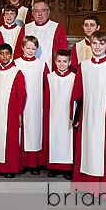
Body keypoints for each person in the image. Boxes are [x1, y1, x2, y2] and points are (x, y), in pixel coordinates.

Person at [71, 31, 106, 197]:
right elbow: (77, 94)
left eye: (101, 44)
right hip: (87, 117)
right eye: (95, 43)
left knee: (104, 153)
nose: (98, 47)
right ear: (90, 45)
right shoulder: (83, 66)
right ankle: (86, 186)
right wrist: (76, 117)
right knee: (87, 150)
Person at [0, 43, 26, 178]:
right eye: (2, 54)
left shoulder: (16, 72)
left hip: (10, 111)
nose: (4, 56)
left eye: (7, 53)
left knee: (9, 139)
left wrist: (19, 113)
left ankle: (9, 168)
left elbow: (21, 94)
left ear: (11, 55)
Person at [16, 36, 49, 175]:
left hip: (36, 102)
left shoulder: (42, 65)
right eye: (28, 48)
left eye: (33, 48)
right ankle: (21, 162)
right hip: (20, 102)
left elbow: (47, 86)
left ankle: (34, 163)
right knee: (20, 131)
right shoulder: (16, 63)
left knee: (35, 131)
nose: (30, 51)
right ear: (22, 47)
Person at [44, 50, 75, 179]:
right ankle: (54, 167)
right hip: (54, 113)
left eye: (64, 61)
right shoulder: (50, 77)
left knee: (67, 140)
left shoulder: (74, 77)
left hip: (68, 114)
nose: (62, 64)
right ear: (55, 62)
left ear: (70, 62)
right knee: (54, 138)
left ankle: (67, 168)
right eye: (59, 61)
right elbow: (46, 97)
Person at [24, 1, 69, 70]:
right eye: (36, 11)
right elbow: (19, 51)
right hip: (27, 69)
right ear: (32, 13)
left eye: (43, 10)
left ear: (48, 12)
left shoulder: (57, 28)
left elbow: (63, 51)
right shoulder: (25, 28)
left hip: (50, 69)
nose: (40, 14)